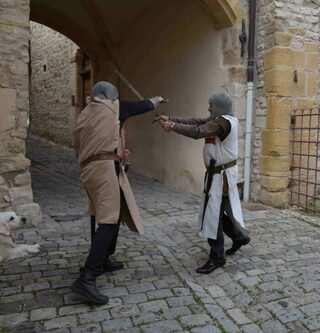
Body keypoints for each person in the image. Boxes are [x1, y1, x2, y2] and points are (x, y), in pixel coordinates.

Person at [72, 81, 164, 304]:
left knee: (108, 212)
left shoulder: (85, 113)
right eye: (114, 96)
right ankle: (87, 278)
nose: (116, 100)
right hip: (103, 170)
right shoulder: (114, 108)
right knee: (108, 220)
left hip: (93, 168)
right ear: (108, 96)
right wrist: (157, 100)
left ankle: (104, 259)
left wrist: (116, 154)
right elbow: (141, 105)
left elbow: (82, 143)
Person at [157, 91, 250, 274]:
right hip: (216, 175)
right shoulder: (219, 119)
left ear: (218, 106)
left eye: (211, 105)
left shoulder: (223, 122)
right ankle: (238, 237)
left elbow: (199, 131)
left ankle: (217, 257)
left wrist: (173, 126)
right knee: (216, 212)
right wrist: (170, 118)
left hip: (221, 176)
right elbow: (197, 122)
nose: (208, 108)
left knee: (212, 215)